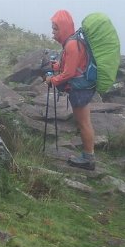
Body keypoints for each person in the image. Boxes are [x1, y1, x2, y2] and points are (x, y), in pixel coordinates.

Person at [45, 9, 96, 170]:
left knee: (83, 123)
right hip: (83, 86)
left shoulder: (72, 45)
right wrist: (57, 66)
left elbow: (69, 73)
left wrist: (52, 79)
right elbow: (71, 65)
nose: (53, 32)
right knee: (84, 122)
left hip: (80, 89)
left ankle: (88, 159)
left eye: (55, 28)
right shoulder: (72, 42)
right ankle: (88, 156)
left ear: (64, 27)